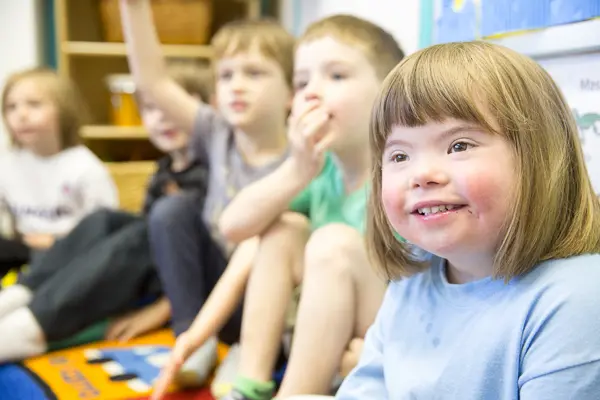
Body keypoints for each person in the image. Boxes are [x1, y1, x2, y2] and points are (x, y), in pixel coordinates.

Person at [153, 15, 404, 400]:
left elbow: (428, 294)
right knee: (282, 227)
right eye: (302, 82)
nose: (312, 93)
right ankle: (251, 385)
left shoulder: (402, 179)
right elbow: (237, 230)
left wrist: (384, 353)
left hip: (386, 340)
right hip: (328, 342)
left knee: (332, 242)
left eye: (336, 76)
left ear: (389, 90)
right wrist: (297, 168)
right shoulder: (322, 174)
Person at [337, 41, 600, 399]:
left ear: (538, 157)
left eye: (459, 146)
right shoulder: (414, 278)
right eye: (399, 155)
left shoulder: (576, 298)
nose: (422, 174)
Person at [120, 0, 295, 387]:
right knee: (172, 210)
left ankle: (250, 353)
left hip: (267, 305)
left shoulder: (299, 156)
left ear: (291, 92)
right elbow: (153, 82)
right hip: (215, 293)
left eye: (255, 73)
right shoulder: (218, 133)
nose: (237, 85)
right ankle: (192, 339)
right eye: (226, 75)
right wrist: (134, 9)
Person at [0, 63, 211, 362]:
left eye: (173, 107)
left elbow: (211, 251)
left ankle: (29, 327)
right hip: (152, 269)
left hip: (184, 279)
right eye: (151, 109)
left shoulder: (215, 173)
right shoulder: (164, 172)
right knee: (103, 220)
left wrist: (166, 307)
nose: (162, 118)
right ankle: (18, 297)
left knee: (143, 231)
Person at [0, 67, 117, 279]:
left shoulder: (85, 167)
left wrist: (56, 241)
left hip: (71, 253)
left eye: (34, 104)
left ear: (64, 110)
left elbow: (106, 229)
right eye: (11, 107)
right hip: (25, 252)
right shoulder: (7, 164)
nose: (21, 115)